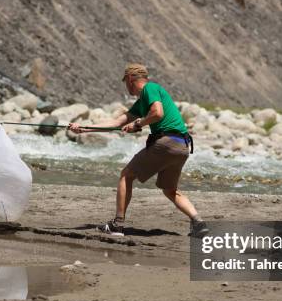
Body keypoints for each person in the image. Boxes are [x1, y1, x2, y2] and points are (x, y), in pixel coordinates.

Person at [68, 63, 209, 238]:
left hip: (166, 143)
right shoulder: (141, 102)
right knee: (170, 190)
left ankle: (117, 225)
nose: (126, 86)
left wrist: (137, 124)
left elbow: (158, 113)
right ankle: (199, 223)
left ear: (130, 79)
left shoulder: (150, 88)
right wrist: (84, 128)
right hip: (182, 147)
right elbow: (116, 122)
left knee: (126, 175)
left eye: (125, 82)